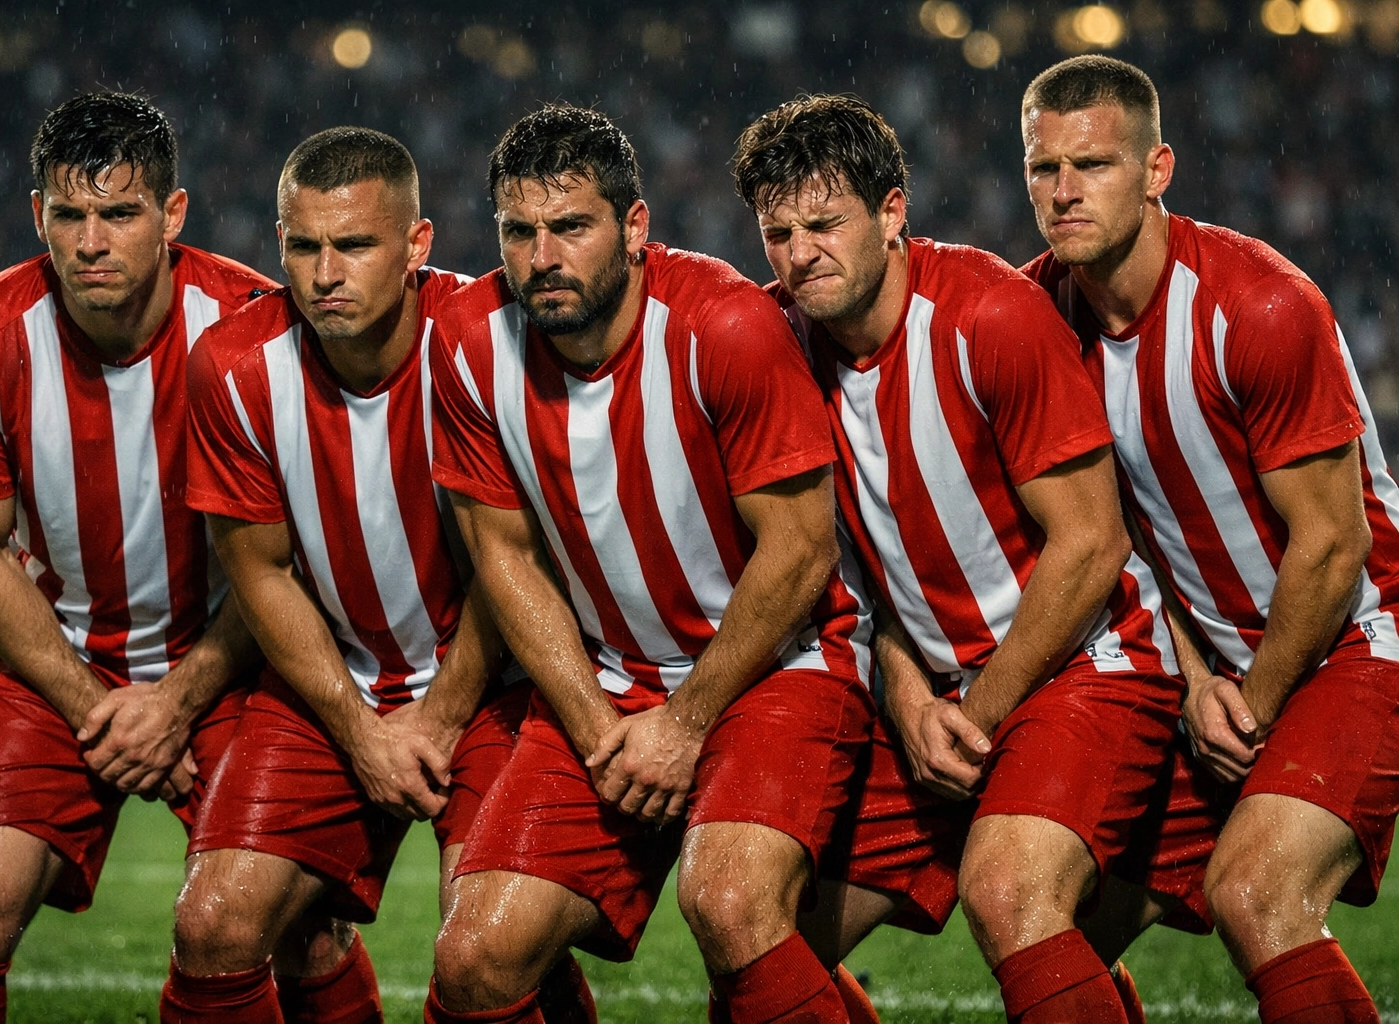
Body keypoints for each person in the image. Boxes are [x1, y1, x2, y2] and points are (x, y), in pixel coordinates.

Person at [732, 94, 1186, 1023]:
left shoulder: (992, 315)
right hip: (936, 688)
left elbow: (1093, 541)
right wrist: (907, 695)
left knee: (1011, 895)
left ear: (893, 212)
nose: (800, 254)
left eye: (825, 224)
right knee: (758, 939)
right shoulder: (781, 343)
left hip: (1089, 663)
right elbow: (865, 570)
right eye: (777, 233)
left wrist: (974, 713)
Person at [424, 104, 875, 1024]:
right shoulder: (471, 344)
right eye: (519, 231)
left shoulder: (727, 326)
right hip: (610, 686)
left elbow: (800, 554)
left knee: (730, 906)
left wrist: (685, 719)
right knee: (474, 958)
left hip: (776, 669)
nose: (542, 255)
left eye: (571, 227)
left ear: (634, 228)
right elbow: (502, 556)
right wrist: (597, 723)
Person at [1021, 55, 1399, 1022]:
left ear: (1158, 170)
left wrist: (1254, 701)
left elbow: (1332, 544)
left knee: (1257, 894)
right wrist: (1198, 682)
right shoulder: (1033, 319)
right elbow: (1120, 542)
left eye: (1093, 165)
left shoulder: (1259, 305)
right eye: (1041, 167)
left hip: (1360, 635)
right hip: (1215, 667)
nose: (1063, 193)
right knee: (1047, 925)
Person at [172, 127, 578, 1023]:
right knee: (213, 926)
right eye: (304, 247)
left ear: (417, 244)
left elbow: (520, 558)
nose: (325, 273)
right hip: (332, 683)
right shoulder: (234, 366)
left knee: (490, 948)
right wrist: (360, 732)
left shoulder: (495, 339)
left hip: (501, 683)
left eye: (354, 244)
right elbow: (261, 575)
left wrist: (438, 713)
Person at [0, 92, 269, 1022]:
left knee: (272, 924)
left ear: (172, 216)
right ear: (38, 219)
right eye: (70, 215)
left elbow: (289, 562)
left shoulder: (256, 328)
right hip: (54, 662)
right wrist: (103, 711)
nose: (91, 241)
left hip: (241, 656)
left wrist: (178, 702)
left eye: (120, 213)